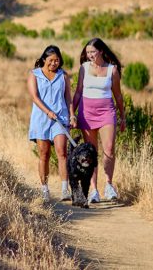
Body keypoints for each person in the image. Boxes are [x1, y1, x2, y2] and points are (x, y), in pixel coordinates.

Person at [73, 38, 126, 203]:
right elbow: (78, 92)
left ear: (101, 51)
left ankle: (108, 185)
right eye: (88, 52)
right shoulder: (84, 68)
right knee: (90, 153)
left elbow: (118, 95)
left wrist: (123, 117)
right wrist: (71, 113)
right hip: (86, 113)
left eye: (93, 52)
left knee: (109, 149)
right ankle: (93, 190)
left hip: (106, 113)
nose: (90, 55)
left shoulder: (112, 70)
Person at [27, 45, 75, 201]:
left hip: (60, 118)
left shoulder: (63, 76)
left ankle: (64, 189)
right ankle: (45, 189)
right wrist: (47, 112)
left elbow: (68, 97)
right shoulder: (34, 75)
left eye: (57, 60)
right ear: (43, 59)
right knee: (44, 154)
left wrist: (72, 115)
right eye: (51, 60)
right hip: (41, 119)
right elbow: (34, 97)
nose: (54, 63)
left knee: (62, 152)